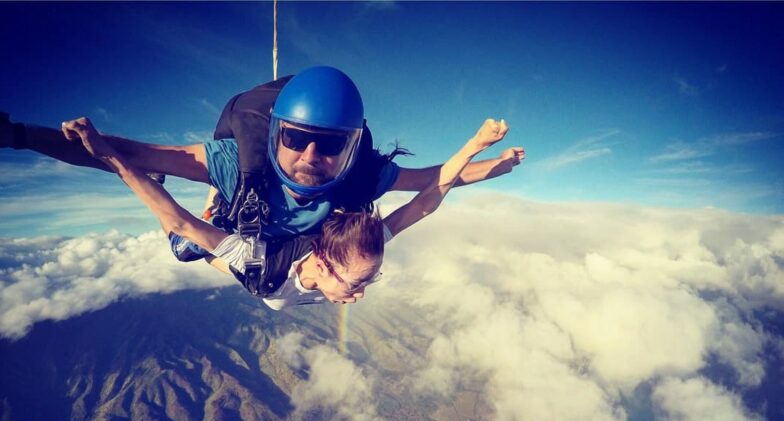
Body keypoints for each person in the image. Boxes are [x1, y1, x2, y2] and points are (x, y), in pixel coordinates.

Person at [0, 67, 524, 257]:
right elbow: (123, 155)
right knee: (187, 248)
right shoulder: (235, 160)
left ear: (351, 147)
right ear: (275, 134)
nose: (312, 156)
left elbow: (433, 181)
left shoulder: (361, 174)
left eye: (330, 145)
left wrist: (490, 166)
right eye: (297, 138)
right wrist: (17, 135)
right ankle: (220, 206)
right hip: (244, 210)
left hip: (287, 245)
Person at [60, 116, 522, 309]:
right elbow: (179, 221)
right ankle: (215, 199)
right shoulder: (261, 263)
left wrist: (475, 148)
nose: (359, 294)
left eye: (364, 280)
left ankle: (218, 209)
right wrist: (110, 157)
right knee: (185, 245)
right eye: (358, 281)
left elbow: (427, 200)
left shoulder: (331, 252)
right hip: (250, 261)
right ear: (322, 262)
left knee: (204, 240)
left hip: (262, 266)